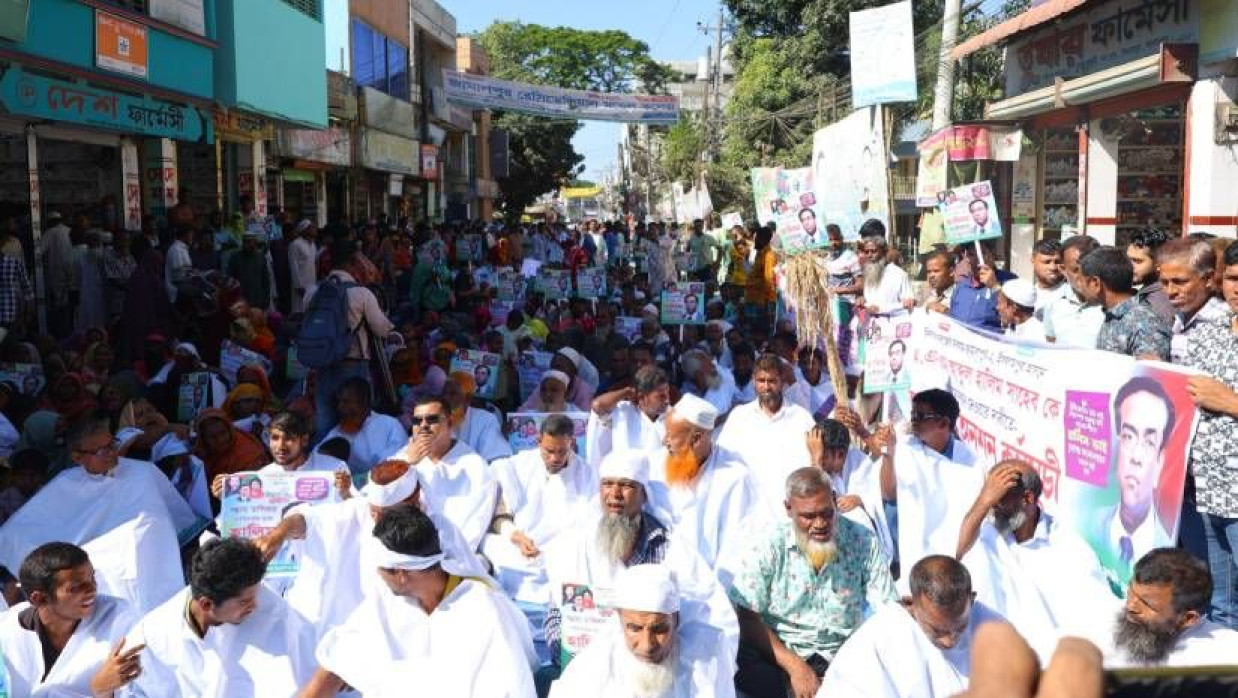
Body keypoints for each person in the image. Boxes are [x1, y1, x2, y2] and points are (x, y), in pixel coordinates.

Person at [300, 506, 537, 697]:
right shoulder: (387, 600)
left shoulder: (483, 607)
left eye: (382, 569)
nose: (378, 575)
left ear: (401, 574)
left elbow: (508, 686)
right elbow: (336, 661)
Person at [541, 450, 738, 675]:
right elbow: (556, 615)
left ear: (644, 495)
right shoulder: (577, 545)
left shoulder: (671, 548)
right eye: (607, 484)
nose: (614, 494)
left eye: (626, 485)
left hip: (657, 666)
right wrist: (571, 654)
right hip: (592, 671)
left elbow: (711, 615)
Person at [0, 419, 202, 613]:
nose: (111, 453)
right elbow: (20, 530)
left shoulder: (144, 472)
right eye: (100, 450)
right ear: (77, 457)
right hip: (90, 565)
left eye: (111, 444)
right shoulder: (65, 482)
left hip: (150, 564)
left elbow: (179, 519)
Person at [728, 468, 896, 698]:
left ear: (835, 500)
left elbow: (887, 611)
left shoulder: (862, 540)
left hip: (845, 656)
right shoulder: (769, 543)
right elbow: (747, 617)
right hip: (781, 656)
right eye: (808, 516)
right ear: (789, 509)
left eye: (827, 513)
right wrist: (795, 667)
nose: (820, 524)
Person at [955, 460, 1116, 660]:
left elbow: (1093, 615)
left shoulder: (1066, 546)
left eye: (999, 502)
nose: (992, 510)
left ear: (1028, 499)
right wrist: (983, 501)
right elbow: (958, 556)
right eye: (989, 502)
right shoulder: (988, 532)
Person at [121, 538, 317, 696]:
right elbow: (137, 691)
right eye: (244, 601)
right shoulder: (154, 634)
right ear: (206, 604)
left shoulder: (273, 615)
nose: (255, 605)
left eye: (255, 595)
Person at [819, 555, 1004, 698]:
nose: (949, 640)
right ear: (911, 604)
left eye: (960, 628)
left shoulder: (992, 626)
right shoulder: (876, 641)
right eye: (937, 631)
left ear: (971, 600)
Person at [549, 564, 737, 698]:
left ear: (676, 620)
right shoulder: (593, 667)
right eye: (634, 628)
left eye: (659, 629)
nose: (647, 645)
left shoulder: (706, 657)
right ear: (620, 620)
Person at [1180, 243, 1238, 628]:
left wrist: (1231, 402)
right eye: (1233, 279)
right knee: (1219, 603)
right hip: (1207, 487)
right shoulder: (1208, 331)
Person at [484, 414, 598, 604]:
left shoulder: (587, 474)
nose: (555, 458)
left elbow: (592, 522)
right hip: (521, 546)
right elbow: (500, 516)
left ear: (572, 442)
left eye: (562, 451)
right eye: (549, 451)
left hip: (566, 553)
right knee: (489, 545)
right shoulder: (515, 466)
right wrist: (516, 536)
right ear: (538, 441)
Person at [0, 543, 140, 697]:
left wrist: (103, 692)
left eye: (92, 577)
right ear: (39, 598)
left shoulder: (119, 619)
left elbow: (146, 690)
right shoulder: (6, 633)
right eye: (75, 587)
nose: (92, 589)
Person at [877, 389, 987, 575]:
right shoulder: (904, 447)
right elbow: (888, 493)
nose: (913, 420)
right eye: (913, 414)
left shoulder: (970, 463)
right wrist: (889, 453)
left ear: (944, 423)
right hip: (904, 547)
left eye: (921, 416)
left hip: (951, 552)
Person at [648, 394, 757, 574]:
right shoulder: (656, 464)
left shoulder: (734, 478)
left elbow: (737, 546)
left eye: (670, 436)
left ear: (696, 439)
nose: (664, 441)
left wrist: (715, 593)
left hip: (711, 587)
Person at [305, 239, 395, 439]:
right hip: (353, 365)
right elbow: (382, 330)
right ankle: (354, 461)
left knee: (325, 421)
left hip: (321, 365)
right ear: (352, 264)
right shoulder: (362, 294)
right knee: (357, 419)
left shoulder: (313, 292)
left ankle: (326, 460)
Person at [385, 397, 496, 551]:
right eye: (417, 421)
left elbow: (473, 524)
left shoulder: (474, 466)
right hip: (403, 547)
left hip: (453, 554)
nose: (423, 425)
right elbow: (379, 499)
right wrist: (408, 466)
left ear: (449, 423)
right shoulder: (404, 458)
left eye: (432, 419)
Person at [717, 354, 816, 521]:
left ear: (782, 382)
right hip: (748, 514)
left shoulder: (802, 419)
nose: (766, 387)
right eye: (761, 381)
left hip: (787, 513)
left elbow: (814, 462)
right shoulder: (739, 417)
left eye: (772, 381)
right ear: (753, 381)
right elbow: (722, 461)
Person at [1100, 548, 1238, 667]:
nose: (1131, 606)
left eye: (1147, 603)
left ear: (1188, 618)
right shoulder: (1106, 621)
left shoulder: (1223, 658)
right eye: (1131, 593)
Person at [1093, 377, 1176, 574]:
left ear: (1160, 463)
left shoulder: (1168, 554)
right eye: (1128, 437)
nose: (1136, 457)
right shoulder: (1088, 525)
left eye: (1149, 443)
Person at [1080, 246, 1171, 360]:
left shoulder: (1143, 323)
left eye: (1081, 281)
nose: (1080, 287)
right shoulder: (1114, 315)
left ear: (1095, 283)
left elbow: (1150, 373)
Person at [316, 377, 407, 483]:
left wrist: (359, 481)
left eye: (346, 402)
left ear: (364, 402)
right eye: (339, 402)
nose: (340, 407)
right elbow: (317, 462)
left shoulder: (389, 425)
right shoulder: (337, 432)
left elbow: (394, 467)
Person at [1158, 237, 1230, 363]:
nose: (1171, 291)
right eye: (1164, 282)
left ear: (1208, 278)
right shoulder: (1177, 318)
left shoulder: (1226, 322)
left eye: (1180, 282)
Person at [586, 365, 672, 469]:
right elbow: (598, 405)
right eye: (661, 396)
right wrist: (626, 391)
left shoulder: (673, 415)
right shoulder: (623, 411)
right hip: (626, 479)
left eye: (667, 394)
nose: (667, 400)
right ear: (642, 396)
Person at [1043, 235, 1103, 348]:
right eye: (1075, 270)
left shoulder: (1110, 303)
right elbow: (1050, 344)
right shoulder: (1053, 303)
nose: (1083, 277)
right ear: (1063, 270)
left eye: (1088, 269)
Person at [442, 372, 512, 462]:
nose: (445, 398)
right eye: (443, 393)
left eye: (452, 394)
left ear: (468, 398)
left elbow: (497, 458)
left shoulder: (486, 419)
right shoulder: (433, 419)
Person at [949, 242, 1015, 332]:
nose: (977, 260)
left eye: (982, 253)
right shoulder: (961, 287)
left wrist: (995, 286)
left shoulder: (1009, 281)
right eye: (971, 255)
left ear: (993, 254)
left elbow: (1014, 319)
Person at [1127, 228, 1175, 325]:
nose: (1129, 266)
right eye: (1128, 259)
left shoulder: (1159, 302)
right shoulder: (1148, 292)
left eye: (1137, 261)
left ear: (1159, 263)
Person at [858, 236, 913, 315]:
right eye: (867, 252)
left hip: (893, 323)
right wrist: (862, 300)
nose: (869, 255)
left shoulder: (899, 274)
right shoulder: (869, 273)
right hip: (871, 324)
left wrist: (881, 309)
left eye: (873, 251)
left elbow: (908, 305)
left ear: (884, 252)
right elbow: (869, 300)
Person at [288, 220, 318, 314]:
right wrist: (298, 285)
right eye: (311, 227)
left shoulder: (313, 245)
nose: (314, 229)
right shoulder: (295, 244)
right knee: (300, 310)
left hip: (312, 283)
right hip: (301, 284)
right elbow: (293, 265)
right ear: (305, 230)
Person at [1030, 238, 1064, 319]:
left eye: (1057, 262)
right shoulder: (1028, 293)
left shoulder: (1071, 296)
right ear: (1033, 261)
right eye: (1047, 262)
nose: (1053, 267)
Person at [164, 225, 194, 305]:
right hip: (176, 294)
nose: (192, 237)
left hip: (183, 289)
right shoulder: (176, 250)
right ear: (184, 236)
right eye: (190, 235)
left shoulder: (183, 249)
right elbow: (179, 279)